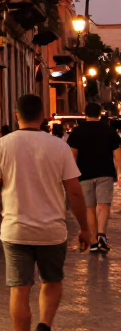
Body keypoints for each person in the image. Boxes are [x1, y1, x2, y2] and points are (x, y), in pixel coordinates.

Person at [0, 93, 89, 331]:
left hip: (15, 230)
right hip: (52, 230)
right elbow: (74, 191)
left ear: (16, 115)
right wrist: (86, 228)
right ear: (42, 116)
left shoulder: (2, 145)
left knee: (19, 289)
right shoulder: (58, 147)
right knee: (52, 282)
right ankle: (44, 326)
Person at [67, 101, 121, 254]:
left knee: (89, 207)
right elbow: (117, 154)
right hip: (105, 173)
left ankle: (93, 241)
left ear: (85, 114)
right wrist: (119, 172)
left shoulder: (77, 132)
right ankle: (102, 236)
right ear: (100, 113)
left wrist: (71, 176)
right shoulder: (109, 130)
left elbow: (72, 155)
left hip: (84, 174)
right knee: (103, 205)